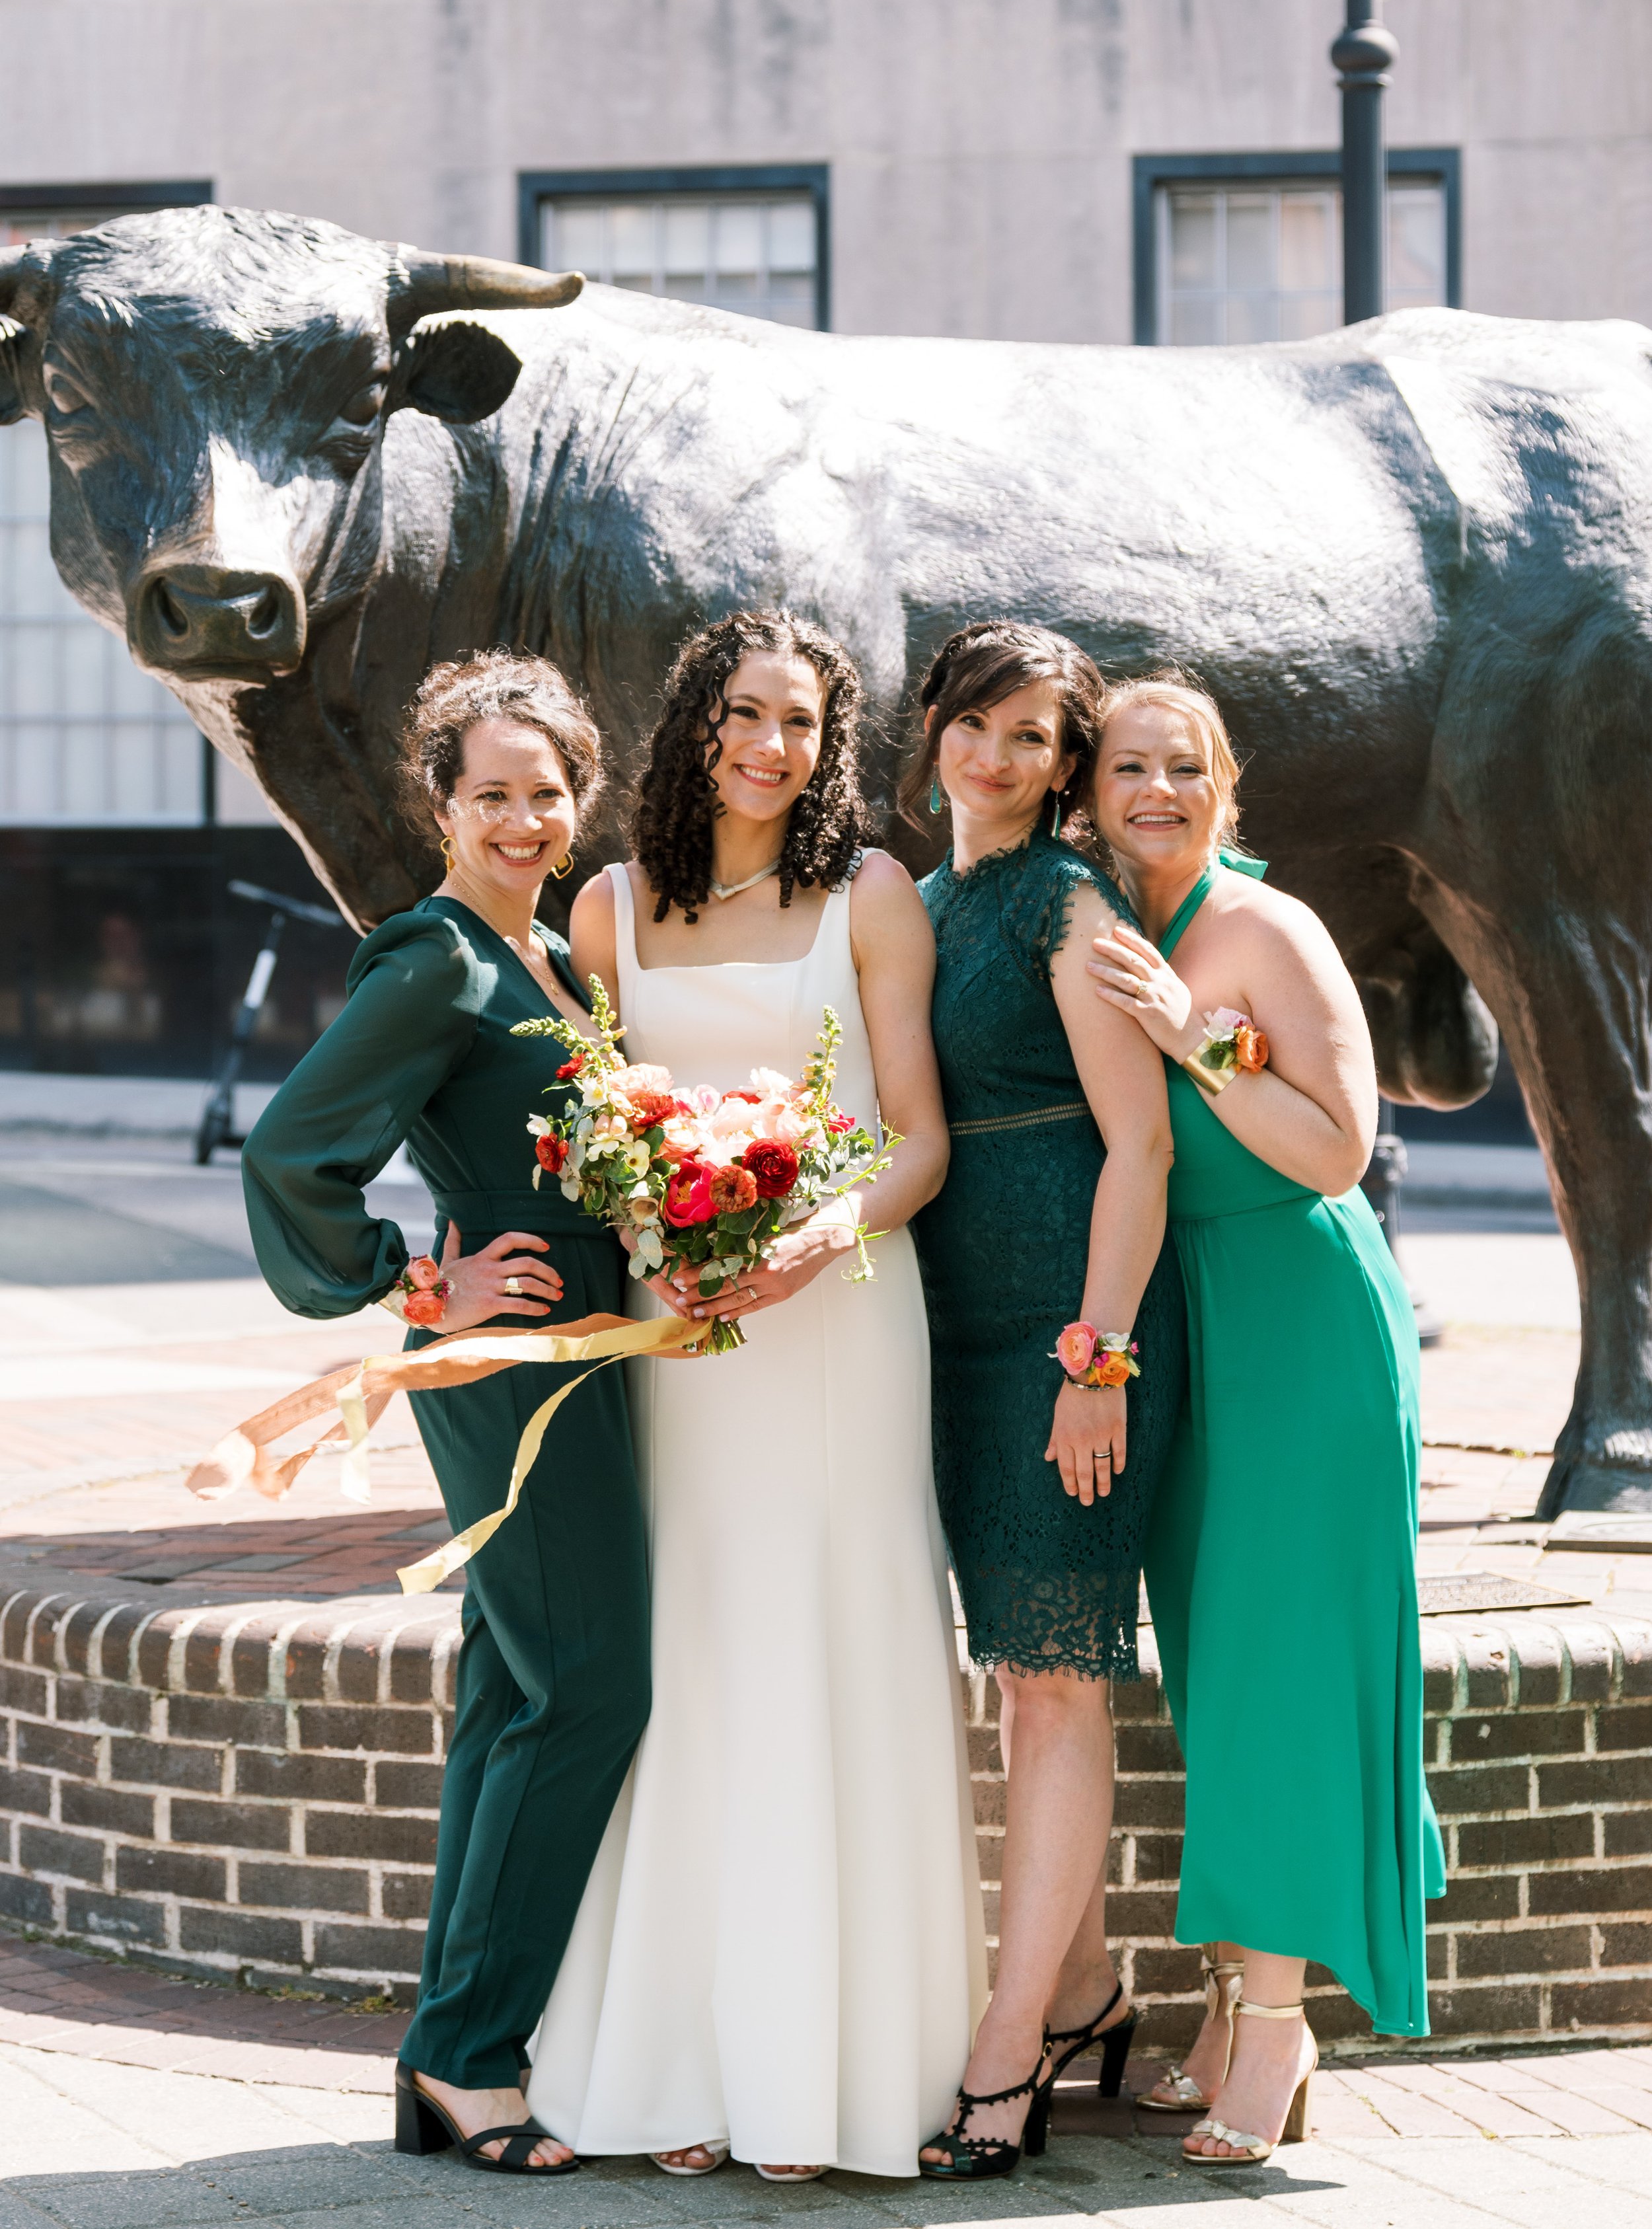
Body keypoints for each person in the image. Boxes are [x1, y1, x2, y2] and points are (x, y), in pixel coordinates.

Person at [527, 609, 986, 2182]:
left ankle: (840, 2073)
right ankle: (675, 2064)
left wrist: (803, 1238)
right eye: (743, 714)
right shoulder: (604, 909)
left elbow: (916, 1134)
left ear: (828, 738)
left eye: (799, 720)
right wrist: (655, 1225)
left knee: (832, 1642)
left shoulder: (870, 895)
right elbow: (592, 1129)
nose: (769, 745)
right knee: (695, 1652)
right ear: (693, 723)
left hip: (838, 1316)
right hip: (679, 1336)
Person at [242, 650, 648, 2177]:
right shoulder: (433, 957)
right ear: (440, 800)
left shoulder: (548, 951)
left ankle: (453, 2049)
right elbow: (292, 1156)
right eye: (492, 792)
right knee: (590, 1682)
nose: (524, 816)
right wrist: (414, 1281)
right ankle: (471, 2056)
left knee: (515, 1688)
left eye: (547, 792)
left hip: (593, 1346)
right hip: (511, 1361)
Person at [1084, 671, 1443, 2168]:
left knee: (1285, 1667)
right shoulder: (1113, 919)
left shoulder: (1261, 929)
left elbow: (1335, 1145)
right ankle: (1233, 2007)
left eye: (1181, 767)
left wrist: (1196, 1037)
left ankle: (1278, 2026)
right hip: (1189, 1325)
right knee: (1221, 1673)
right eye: (1125, 767)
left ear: (1221, 785)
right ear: (1089, 789)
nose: (1153, 790)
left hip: (1298, 1323)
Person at [904, 622, 1186, 2181]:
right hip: (941, 1332)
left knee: (1052, 1679)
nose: (998, 757)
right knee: (1015, 1665)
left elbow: (1134, 1147)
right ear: (932, 724)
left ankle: (1008, 2050)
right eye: (977, 723)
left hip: (1060, 1337)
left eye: (1034, 739)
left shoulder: (1064, 906)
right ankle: (1082, 1991)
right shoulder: (926, 898)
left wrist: (1096, 1357)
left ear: (1063, 770)